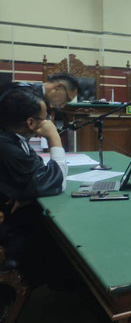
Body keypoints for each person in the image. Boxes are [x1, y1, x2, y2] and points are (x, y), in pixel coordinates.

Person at [0, 88, 73, 307]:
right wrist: (54, 137)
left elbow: (38, 171)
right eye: (45, 118)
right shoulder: (6, 146)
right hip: (9, 229)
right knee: (60, 233)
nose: (48, 121)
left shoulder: (12, 137)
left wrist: (25, 196)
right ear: (31, 123)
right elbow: (54, 183)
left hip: (12, 210)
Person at [0, 72, 79, 110]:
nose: (62, 106)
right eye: (66, 99)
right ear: (59, 87)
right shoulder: (25, 96)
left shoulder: (37, 93)